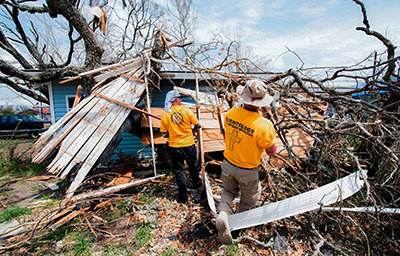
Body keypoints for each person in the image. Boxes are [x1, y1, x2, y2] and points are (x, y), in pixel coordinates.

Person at [216, 80, 277, 244]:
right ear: (261, 102)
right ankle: (236, 227)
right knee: (249, 199)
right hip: (248, 170)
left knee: (228, 191)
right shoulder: (264, 125)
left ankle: (223, 214)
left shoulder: (231, 114)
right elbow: (271, 150)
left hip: (228, 163)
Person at [160, 90, 202, 203]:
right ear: (175, 100)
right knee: (193, 168)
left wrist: (173, 131)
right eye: (179, 98)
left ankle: (183, 197)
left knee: (179, 171)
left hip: (175, 146)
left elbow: (164, 133)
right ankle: (198, 190)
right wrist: (189, 128)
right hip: (189, 145)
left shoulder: (165, 114)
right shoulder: (186, 110)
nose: (181, 100)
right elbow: (197, 124)